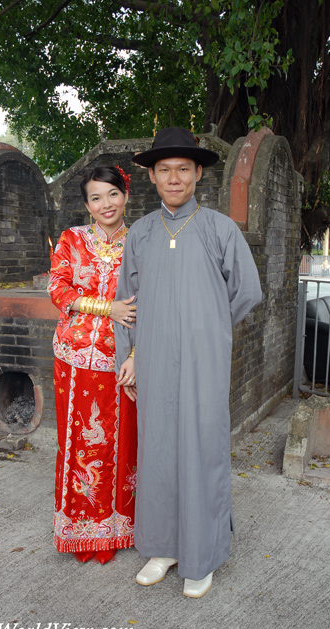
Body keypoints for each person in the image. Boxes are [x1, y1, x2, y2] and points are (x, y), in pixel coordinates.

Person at [114, 127, 262, 596]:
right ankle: (164, 547)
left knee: (201, 450)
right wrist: (132, 356)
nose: (173, 177)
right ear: (152, 177)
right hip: (153, 361)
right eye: (164, 170)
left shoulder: (219, 229)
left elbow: (247, 292)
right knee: (158, 451)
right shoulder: (139, 233)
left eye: (183, 168)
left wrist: (208, 329)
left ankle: (201, 555)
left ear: (198, 173)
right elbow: (126, 302)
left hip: (203, 365)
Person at [49, 165, 138, 565]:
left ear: (126, 196)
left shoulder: (140, 241)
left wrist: (137, 356)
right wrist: (108, 307)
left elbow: (151, 299)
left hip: (122, 359)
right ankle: (82, 528)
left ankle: (121, 528)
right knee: (78, 443)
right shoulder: (71, 239)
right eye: (96, 198)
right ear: (86, 204)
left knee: (125, 443)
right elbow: (58, 289)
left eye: (113, 194)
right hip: (74, 359)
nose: (106, 204)